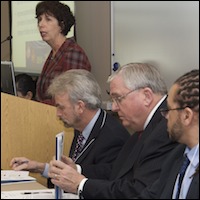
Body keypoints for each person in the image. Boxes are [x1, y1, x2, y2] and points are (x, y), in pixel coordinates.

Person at [47, 63, 179, 199]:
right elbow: (117, 170)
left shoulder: (166, 129)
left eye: (118, 98)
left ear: (146, 96)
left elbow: (138, 190)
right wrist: (77, 170)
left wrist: (81, 184)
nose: (114, 107)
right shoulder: (145, 128)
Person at [10, 69, 130, 184]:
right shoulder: (80, 127)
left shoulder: (113, 137)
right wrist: (39, 167)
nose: (58, 114)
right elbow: (72, 171)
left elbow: (103, 182)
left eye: (61, 107)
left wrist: (73, 170)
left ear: (80, 107)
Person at [134, 69, 199, 199]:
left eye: (169, 110)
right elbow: (150, 196)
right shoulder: (177, 156)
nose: (166, 117)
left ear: (187, 116)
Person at [35, 1, 91, 105]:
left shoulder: (73, 53)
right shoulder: (54, 53)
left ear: (61, 25)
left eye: (48, 20)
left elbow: (72, 97)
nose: (41, 24)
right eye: (39, 20)